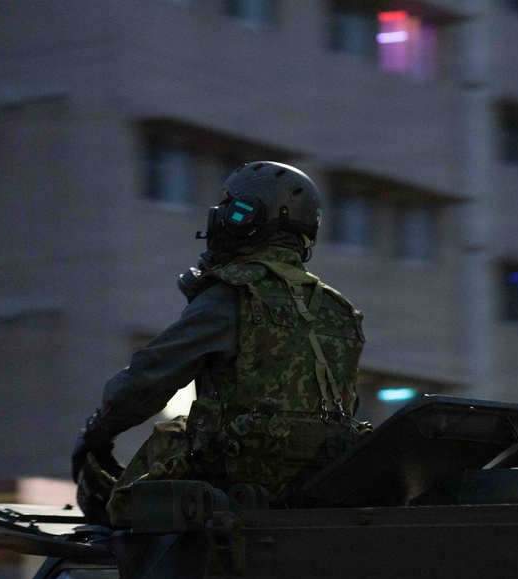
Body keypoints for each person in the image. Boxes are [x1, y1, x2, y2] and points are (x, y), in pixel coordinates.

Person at [71, 161, 366, 526]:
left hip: (232, 483)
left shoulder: (232, 294)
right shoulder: (340, 310)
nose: (221, 217)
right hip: (315, 493)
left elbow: (146, 379)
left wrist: (97, 432)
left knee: (138, 484)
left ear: (251, 219)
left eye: (232, 207)